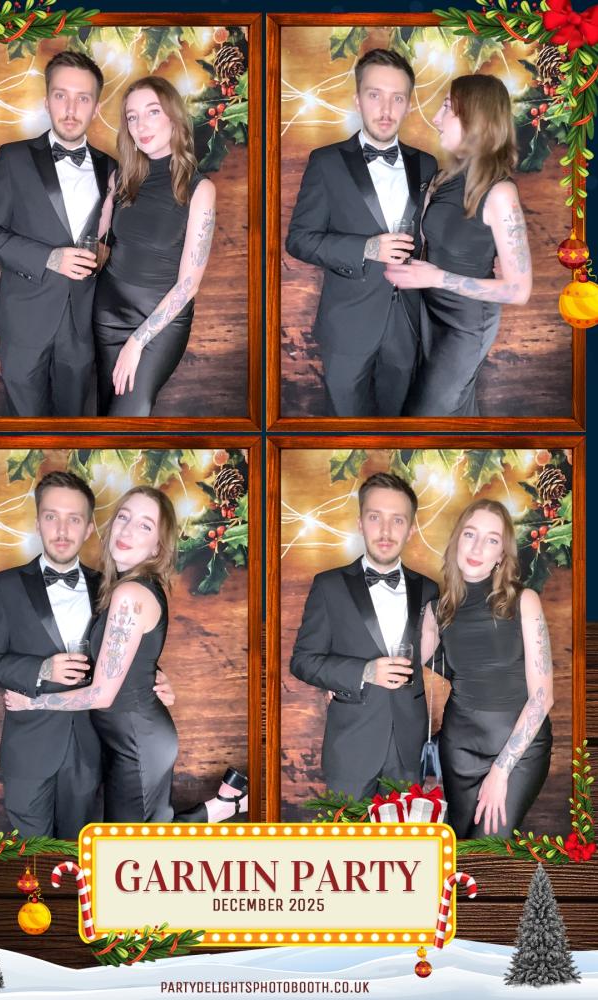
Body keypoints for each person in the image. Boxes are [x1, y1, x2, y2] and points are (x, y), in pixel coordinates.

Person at [4, 487, 247, 824]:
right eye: (123, 517)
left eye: (145, 525)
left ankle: (223, 806)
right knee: (137, 835)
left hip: (138, 744)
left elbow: (102, 695)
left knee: (133, 843)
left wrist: (34, 702)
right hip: (128, 740)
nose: (127, 530)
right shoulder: (123, 586)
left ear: (157, 546)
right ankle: (223, 805)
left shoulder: (130, 594)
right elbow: (133, 656)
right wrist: (153, 674)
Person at [0, 472, 172, 837]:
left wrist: (154, 677)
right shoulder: (6, 585)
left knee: (81, 856)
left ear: (90, 528)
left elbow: (126, 649)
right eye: (51, 516)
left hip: (90, 751)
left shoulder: (108, 586)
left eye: (74, 519)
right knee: (33, 860)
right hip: (29, 751)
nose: (62, 530)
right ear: (37, 522)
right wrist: (41, 669)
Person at [285, 49, 437, 418]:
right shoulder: (326, 162)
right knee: (347, 429)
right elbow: (299, 239)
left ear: (409, 104)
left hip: (408, 325)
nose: (386, 109)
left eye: (397, 98)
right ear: (357, 99)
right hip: (347, 324)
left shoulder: (427, 164)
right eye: (374, 95)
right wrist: (367, 248)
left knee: (397, 426)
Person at [0, 52, 116, 418]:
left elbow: (114, 238)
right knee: (27, 428)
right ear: (47, 100)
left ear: (96, 108)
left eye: (83, 98)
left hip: (82, 326)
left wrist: (107, 252)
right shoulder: (13, 158)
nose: (71, 109)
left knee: (73, 426)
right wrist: (50, 257)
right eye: (61, 95)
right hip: (24, 321)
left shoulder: (113, 168)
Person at [385, 74, 533, 417]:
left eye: (447, 108)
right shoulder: (442, 180)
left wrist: (436, 278)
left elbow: (519, 291)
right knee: (453, 418)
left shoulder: (501, 193)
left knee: (426, 420)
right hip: (429, 314)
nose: (436, 118)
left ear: (476, 118)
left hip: (466, 325)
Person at [290, 472, 439, 800]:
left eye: (397, 520)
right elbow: (303, 661)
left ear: (411, 529)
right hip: (351, 747)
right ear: (360, 523)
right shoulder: (328, 586)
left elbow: (441, 657)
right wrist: (363, 672)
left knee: (406, 834)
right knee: (347, 834)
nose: (385, 531)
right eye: (375, 517)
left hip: (409, 750)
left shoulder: (430, 589)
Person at [422, 500, 553, 838]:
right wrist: (354, 675)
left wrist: (501, 770)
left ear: (501, 554)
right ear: (457, 540)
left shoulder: (524, 601)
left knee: (486, 849)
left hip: (518, 751)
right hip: (459, 749)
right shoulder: (437, 611)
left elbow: (542, 697)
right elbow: (400, 658)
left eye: (491, 539)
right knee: (462, 849)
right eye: (470, 534)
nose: (477, 547)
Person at [93, 76, 216, 417]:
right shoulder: (121, 178)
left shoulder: (199, 189)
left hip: (159, 321)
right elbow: (95, 239)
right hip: (107, 310)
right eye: (132, 117)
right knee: (103, 412)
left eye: (152, 112)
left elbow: (189, 284)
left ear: (174, 116)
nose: (140, 125)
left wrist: (137, 341)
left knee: (129, 416)